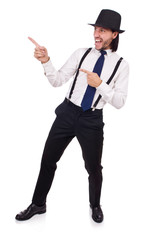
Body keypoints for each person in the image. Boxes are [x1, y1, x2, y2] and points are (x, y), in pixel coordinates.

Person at [15, 9, 129, 223]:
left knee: (94, 168)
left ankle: (95, 205)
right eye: (95, 29)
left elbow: (120, 102)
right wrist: (46, 60)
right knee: (48, 159)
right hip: (67, 113)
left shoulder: (122, 65)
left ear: (114, 35)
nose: (96, 34)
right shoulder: (80, 53)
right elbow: (57, 80)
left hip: (92, 120)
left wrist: (101, 85)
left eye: (102, 30)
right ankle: (38, 204)